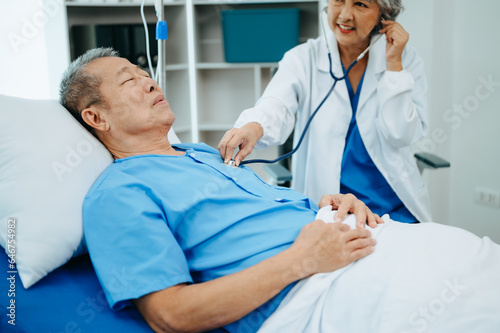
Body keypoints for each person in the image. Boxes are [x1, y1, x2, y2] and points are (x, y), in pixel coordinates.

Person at [60, 49, 500, 333]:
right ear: (97, 119)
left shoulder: (199, 154)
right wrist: (304, 259)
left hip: (359, 239)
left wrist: (329, 204)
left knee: (481, 260)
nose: (150, 81)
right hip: (314, 290)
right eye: (128, 80)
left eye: (144, 72)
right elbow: (170, 315)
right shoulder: (119, 193)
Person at [218, 0, 431, 223]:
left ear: (384, 15)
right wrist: (254, 126)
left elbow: (402, 135)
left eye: (360, 4)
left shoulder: (405, 59)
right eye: (339, 0)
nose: (345, 15)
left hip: (392, 208)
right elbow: (275, 104)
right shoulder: (302, 59)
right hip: (331, 208)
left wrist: (394, 66)